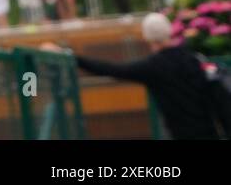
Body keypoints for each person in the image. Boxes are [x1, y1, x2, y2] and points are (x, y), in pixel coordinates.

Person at [41, 13, 231, 140]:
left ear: (147, 37)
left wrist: (68, 55)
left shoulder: (152, 67)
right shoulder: (192, 58)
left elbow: (109, 69)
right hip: (211, 133)